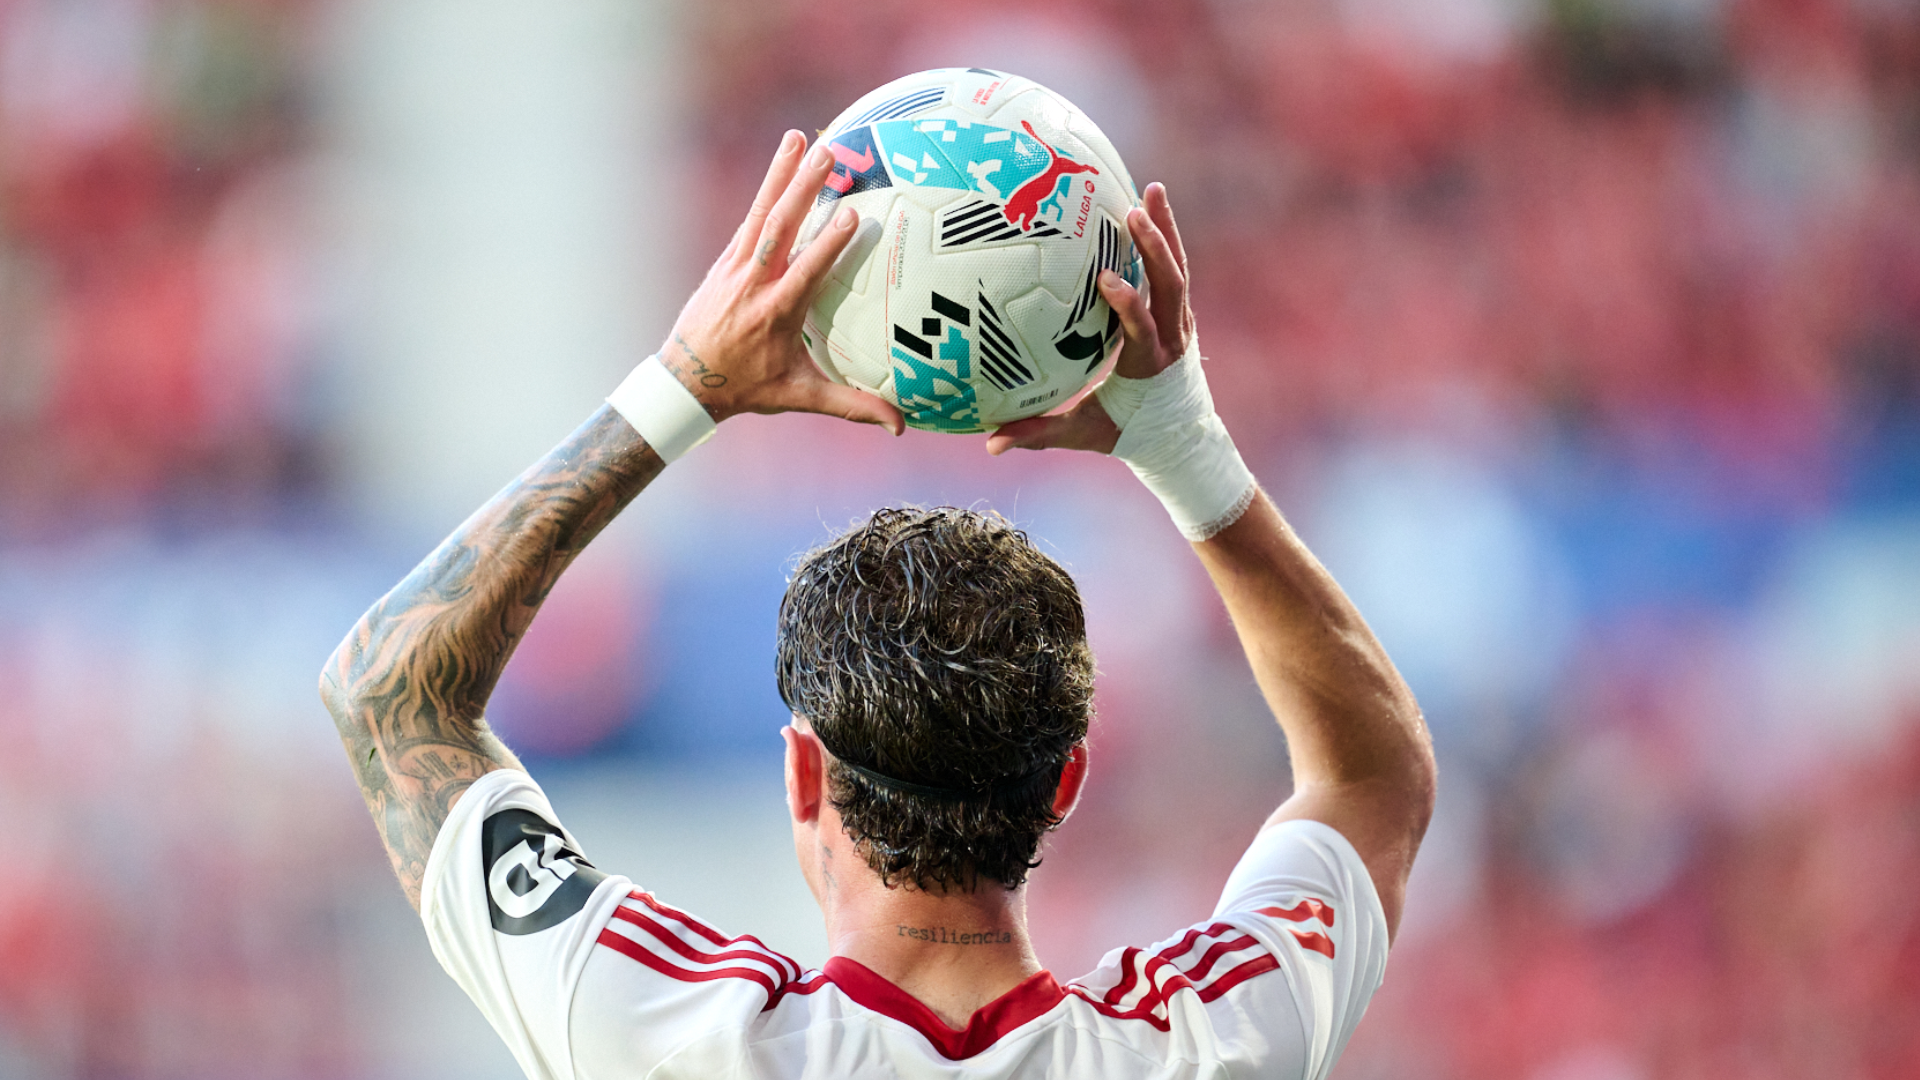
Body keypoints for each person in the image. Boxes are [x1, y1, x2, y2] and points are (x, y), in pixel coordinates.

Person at [320, 129, 1436, 1079]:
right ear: (1067, 780)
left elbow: (389, 696)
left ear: (804, 776)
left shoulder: (674, 1035)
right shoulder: (1204, 1043)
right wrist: (1182, 444)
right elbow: (1372, 776)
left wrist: (684, 387)